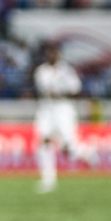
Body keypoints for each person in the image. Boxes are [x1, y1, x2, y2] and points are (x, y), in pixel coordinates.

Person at [34, 42, 98, 193]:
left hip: (63, 109)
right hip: (47, 109)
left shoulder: (67, 70)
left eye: (54, 52)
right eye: (48, 52)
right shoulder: (41, 71)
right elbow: (42, 90)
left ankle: (88, 153)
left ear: (59, 54)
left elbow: (76, 90)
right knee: (44, 142)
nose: (51, 55)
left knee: (69, 148)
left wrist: (60, 93)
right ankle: (48, 179)